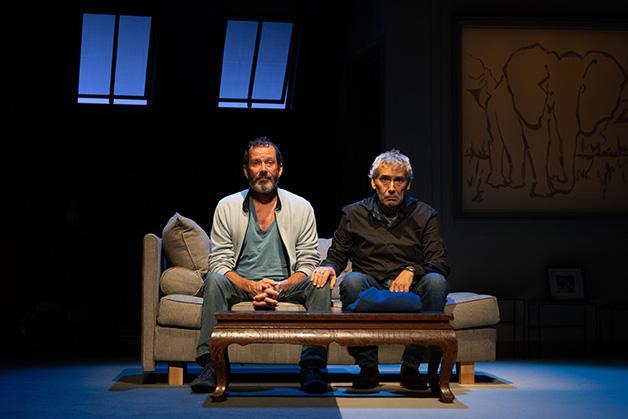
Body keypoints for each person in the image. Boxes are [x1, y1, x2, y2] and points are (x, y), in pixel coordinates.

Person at [191, 137, 331, 394]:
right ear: (246, 170)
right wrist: (252, 286)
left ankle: (312, 366)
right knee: (214, 280)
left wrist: (280, 286)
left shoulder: (301, 207)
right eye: (256, 163)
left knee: (319, 283)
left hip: (287, 285)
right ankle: (212, 365)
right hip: (241, 284)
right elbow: (219, 262)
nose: (264, 169)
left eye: (269, 162)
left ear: (280, 168)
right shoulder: (227, 206)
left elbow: (308, 261)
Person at [312, 149, 450, 390]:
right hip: (371, 283)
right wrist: (328, 267)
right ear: (373, 182)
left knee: (436, 282)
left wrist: (411, 270)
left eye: (399, 180)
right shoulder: (354, 213)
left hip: (410, 288)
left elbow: (439, 261)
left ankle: (411, 367)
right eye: (385, 179)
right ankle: (368, 368)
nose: (392, 187)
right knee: (352, 281)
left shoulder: (425, 214)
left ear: (408, 184)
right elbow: (337, 255)